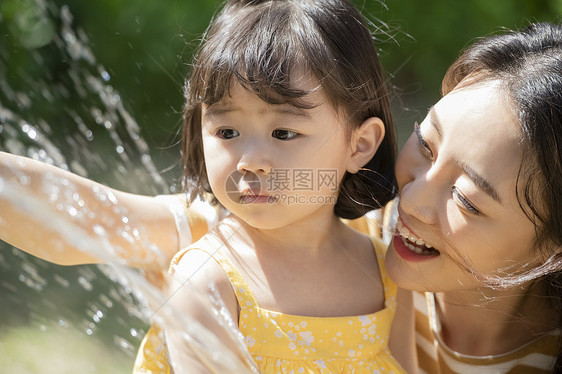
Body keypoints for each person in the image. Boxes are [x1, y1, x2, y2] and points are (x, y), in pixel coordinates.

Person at [0, 0, 415, 373]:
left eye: (284, 134)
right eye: (228, 130)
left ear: (359, 146)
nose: (250, 159)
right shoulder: (209, 281)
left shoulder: (385, 272)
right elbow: (87, 213)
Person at [384, 22, 562, 373]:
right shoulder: (338, 244)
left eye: (465, 199)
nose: (409, 201)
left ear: (552, 248)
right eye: (425, 145)